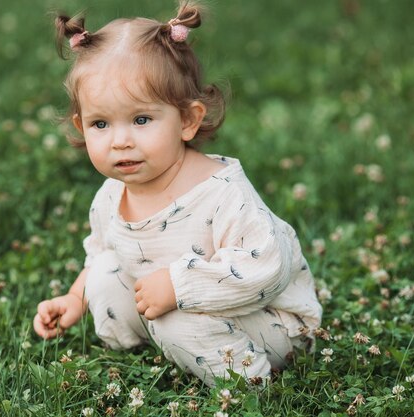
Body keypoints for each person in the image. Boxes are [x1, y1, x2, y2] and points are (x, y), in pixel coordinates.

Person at [33, 1, 322, 387]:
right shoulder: (110, 195)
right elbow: (102, 253)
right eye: (100, 123)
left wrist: (179, 287)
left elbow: (268, 269)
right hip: (180, 309)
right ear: (80, 126)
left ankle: (249, 383)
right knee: (105, 274)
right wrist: (74, 299)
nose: (120, 141)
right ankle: (157, 346)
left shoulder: (221, 192)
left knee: (176, 315)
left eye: (141, 120)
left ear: (187, 120)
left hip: (270, 323)